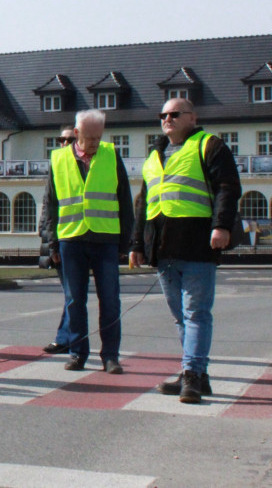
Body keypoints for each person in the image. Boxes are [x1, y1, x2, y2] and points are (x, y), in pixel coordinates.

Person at [130, 98, 241, 403]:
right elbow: (144, 203)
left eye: (175, 114)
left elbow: (228, 187)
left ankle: (191, 374)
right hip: (163, 248)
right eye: (163, 114)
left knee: (196, 313)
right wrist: (137, 244)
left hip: (197, 244)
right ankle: (197, 375)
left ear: (192, 117)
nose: (167, 118)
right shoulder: (154, 155)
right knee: (181, 316)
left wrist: (222, 226)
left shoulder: (209, 145)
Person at [41, 109, 134, 373]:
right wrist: (53, 243)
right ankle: (78, 353)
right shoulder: (58, 158)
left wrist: (124, 243)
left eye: (98, 137)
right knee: (74, 301)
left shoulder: (111, 155)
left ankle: (111, 356)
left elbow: (125, 199)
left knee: (110, 300)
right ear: (77, 133)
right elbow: (51, 204)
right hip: (71, 239)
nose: (95, 142)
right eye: (90, 137)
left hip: (105, 239)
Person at [41, 125, 76, 354]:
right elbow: (48, 205)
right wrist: (50, 241)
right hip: (59, 239)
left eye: (69, 139)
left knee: (73, 294)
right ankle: (66, 338)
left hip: (80, 237)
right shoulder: (57, 165)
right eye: (61, 140)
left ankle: (67, 338)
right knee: (71, 293)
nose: (64, 144)